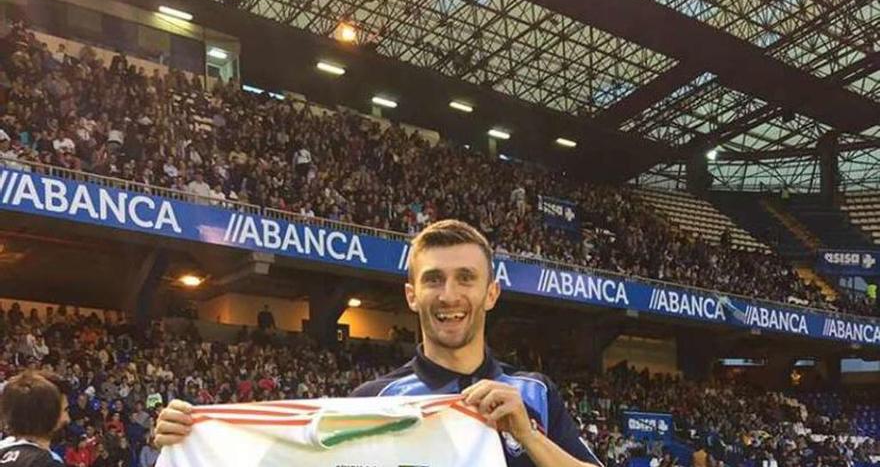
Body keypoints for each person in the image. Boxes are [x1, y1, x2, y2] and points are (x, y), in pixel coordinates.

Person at [155, 220, 602, 466]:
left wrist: (529, 437)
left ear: (491, 293)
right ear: (412, 295)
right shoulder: (373, 402)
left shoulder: (534, 394)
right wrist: (196, 435)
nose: (449, 296)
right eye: (433, 280)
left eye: (466, 278)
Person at [0, 370, 71, 466]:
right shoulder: (46, 462)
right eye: (65, 410)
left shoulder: (4, 451)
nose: (67, 419)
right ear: (48, 413)